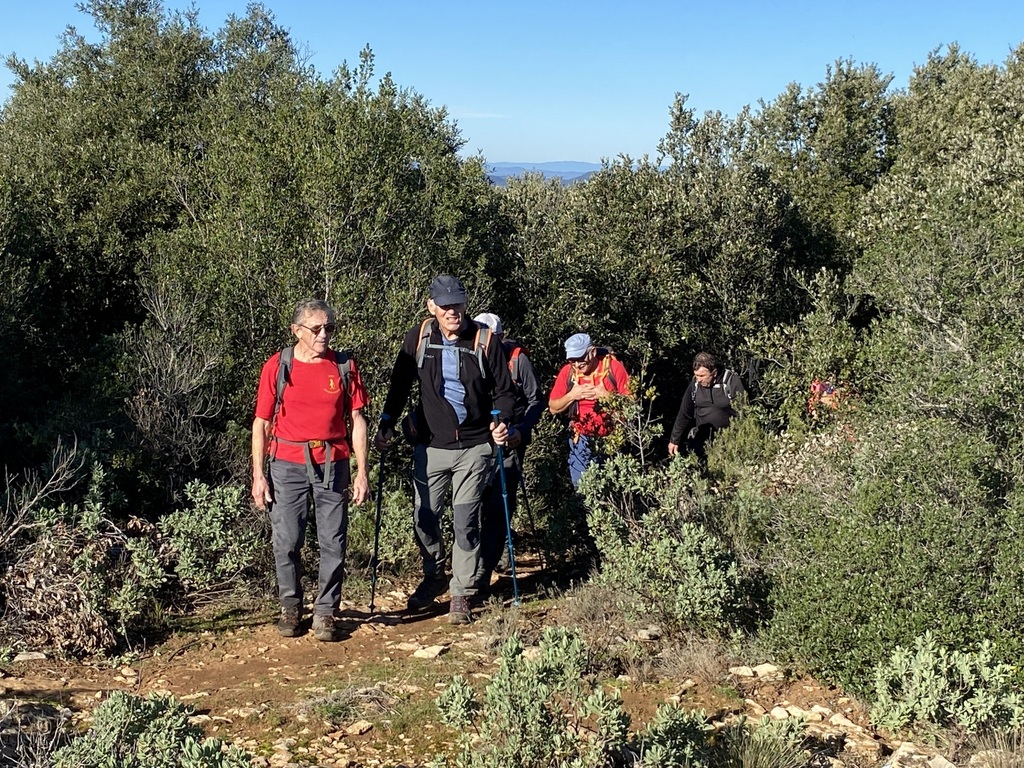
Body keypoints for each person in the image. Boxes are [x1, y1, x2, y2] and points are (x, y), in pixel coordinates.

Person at [375, 276, 515, 624]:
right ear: (432, 306)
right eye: (446, 305)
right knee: (424, 519)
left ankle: (461, 592)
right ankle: (434, 573)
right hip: (430, 445)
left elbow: (504, 391)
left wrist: (502, 421)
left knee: (466, 518)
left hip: (474, 446)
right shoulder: (419, 337)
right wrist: (387, 421)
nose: (453, 312)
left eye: (458, 304)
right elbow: (400, 382)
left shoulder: (484, 340)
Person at [251, 299, 370, 642]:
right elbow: (260, 423)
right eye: (316, 329)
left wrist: (362, 472)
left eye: (329, 328)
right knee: (287, 539)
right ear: (297, 331)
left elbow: (358, 419)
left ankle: (326, 611)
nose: (324, 335)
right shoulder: (278, 366)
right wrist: (259, 476)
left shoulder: (344, 365)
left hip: (334, 462)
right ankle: (291, 606)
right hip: (287, 464)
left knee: (333, 541)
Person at [473, 312, 544, 589]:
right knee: (475, 500)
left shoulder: (518, 360)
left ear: (500, 336)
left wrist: (522, 430)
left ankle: (483, 570)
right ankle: (480, 563)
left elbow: (536, 400)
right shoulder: (471, 355)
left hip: (510, 438)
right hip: (477, 439)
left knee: (500, 502)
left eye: (493, 337)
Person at [547, 333, 630, 488]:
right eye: (572, 360)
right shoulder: (568, 372)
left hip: (612, 440)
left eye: (580, 358)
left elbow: (633, 404)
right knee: (583, 492)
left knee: (614, 490)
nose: (577, 364)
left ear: (592, 352)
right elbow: (553, 407)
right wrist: (573, 395)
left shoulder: (613, 368)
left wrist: (607, 395)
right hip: (581, 441)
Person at [668, 352, 745, 461]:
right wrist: (674, 440)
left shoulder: (730, 381)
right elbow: (685, 413)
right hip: (703, 443)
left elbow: (744, 412)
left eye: (702, 376)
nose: (699, 379)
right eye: (696, 375)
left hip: (730, 441)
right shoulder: (695, 384)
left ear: (714, 373)